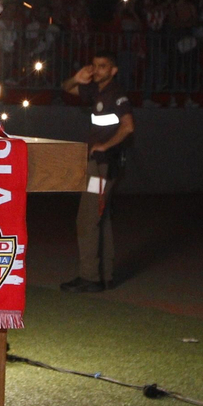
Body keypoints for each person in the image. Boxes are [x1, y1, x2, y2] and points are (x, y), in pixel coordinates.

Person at [61, 53, 133, 291]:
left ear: (113, 71)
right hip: (101, 165)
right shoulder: (96, 92)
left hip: (103, 166)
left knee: (87, 218)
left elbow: (128, 126)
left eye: (103, 66)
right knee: (102, 217)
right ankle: (106, 275)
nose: (97, 70)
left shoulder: (116, 95)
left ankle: (90, 277)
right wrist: (75, 78)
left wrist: (104, 146)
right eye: (95, 65)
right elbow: (65, 89)